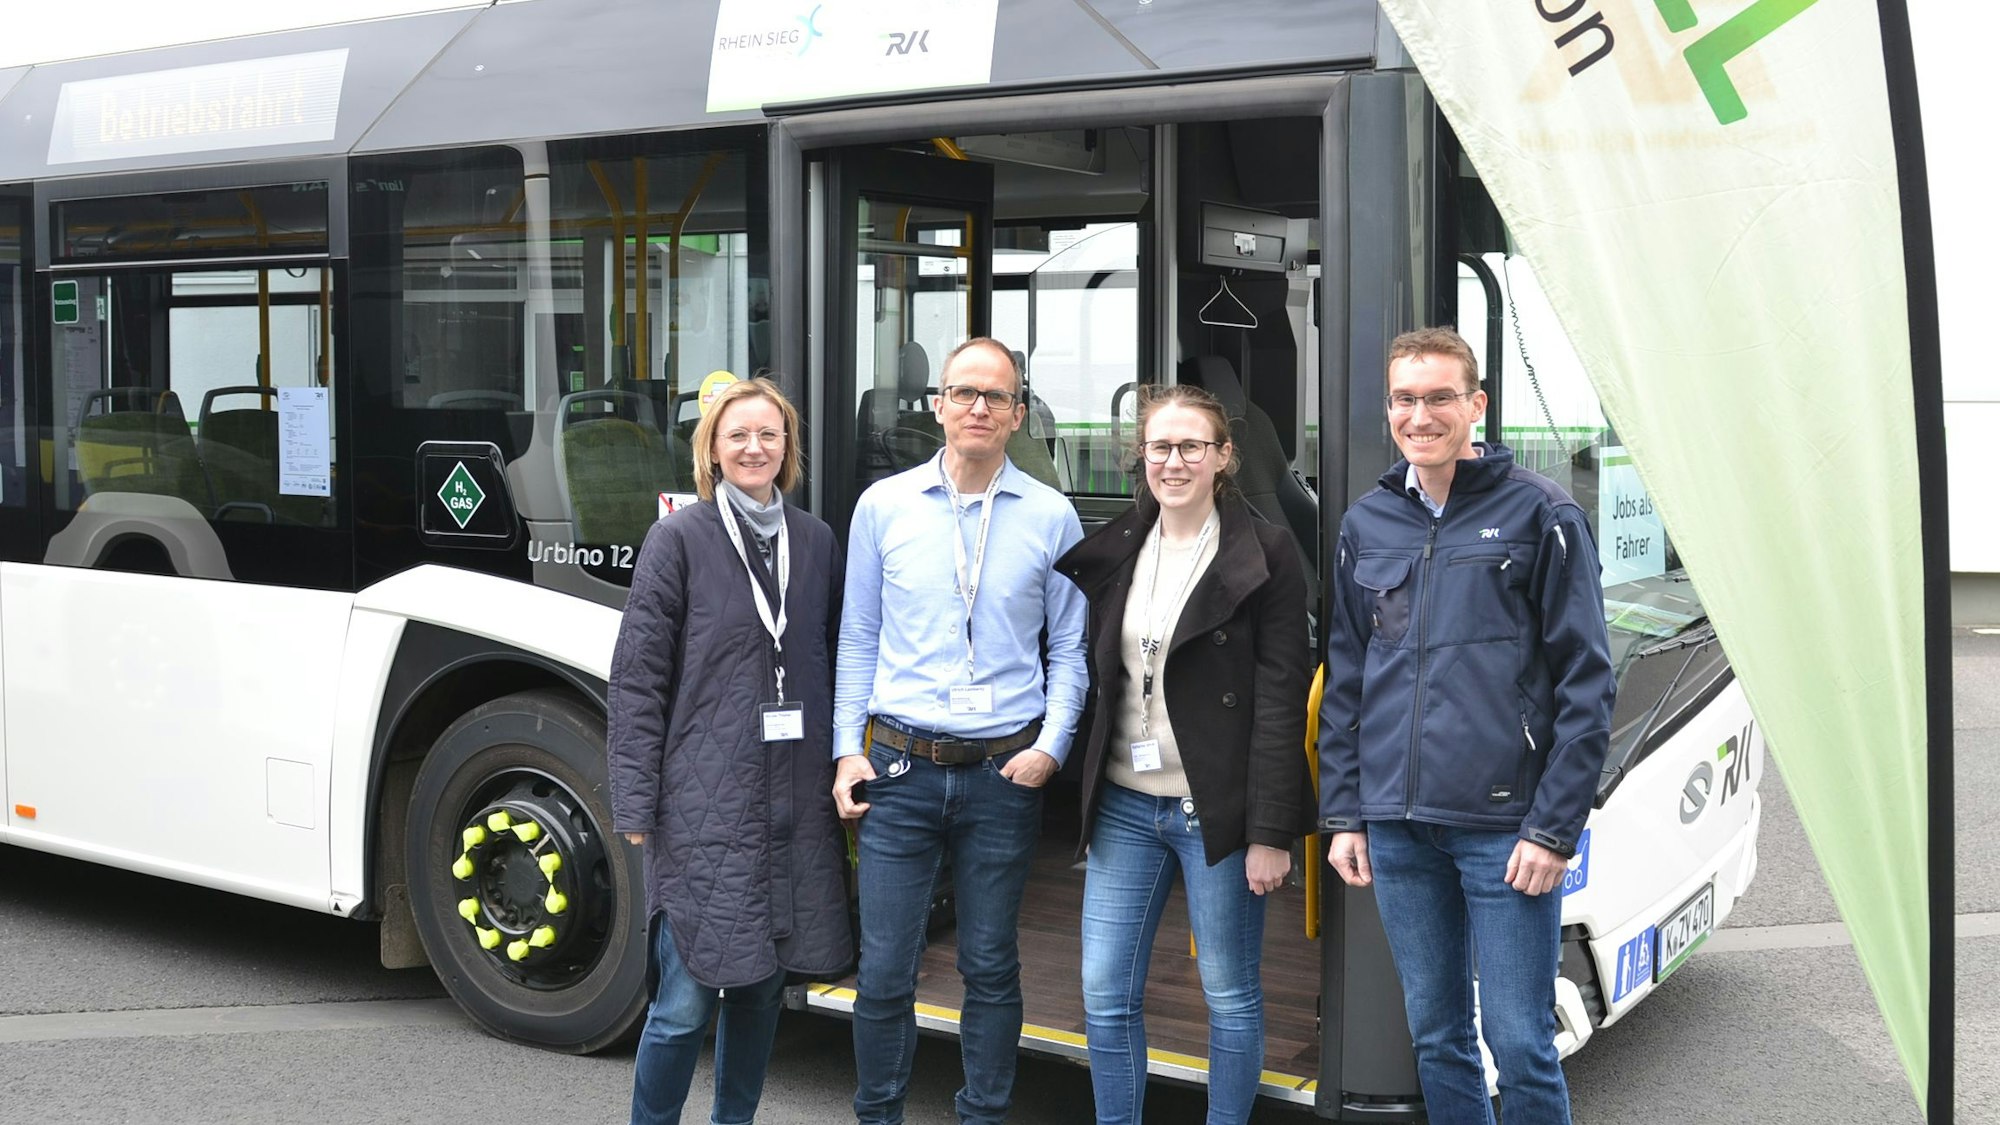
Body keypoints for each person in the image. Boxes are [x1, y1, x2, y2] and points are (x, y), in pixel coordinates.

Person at [1316, 327, 1616, 1124]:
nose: (1421, 414)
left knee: (1518, 1040)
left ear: (1475, 404)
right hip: (1399, 827)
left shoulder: (1542, 513)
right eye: (1405, 399)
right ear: (1389, 410)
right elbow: (1348, 677)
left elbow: (1589, 684)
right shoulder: (1367, 522)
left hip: (1503, 830)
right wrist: (1346, 812)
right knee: (1436, 1032)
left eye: (1439, 396)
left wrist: (1554, 829)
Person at [832, 337, 1089, 1125]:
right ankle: (877, 1114)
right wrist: (847, 748)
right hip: (899, 768)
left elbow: (1072, 648)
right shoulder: (883, 506)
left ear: (1018, 415)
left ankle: (983, 1113)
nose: (979, 407)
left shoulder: (1051, 515)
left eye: (996, 397)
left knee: (989, 964)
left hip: (1002, 772)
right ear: (937, 405)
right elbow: (858, 635)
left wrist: (1052, 747)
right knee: (883, 970)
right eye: (963, 393)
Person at [1054, 384, 1312, 1125]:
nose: (1174, 460)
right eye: (1160, 446)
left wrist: (1269, 833)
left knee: (1229, 995)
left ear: (1223, 456)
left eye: (1191, 446)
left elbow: (1279, 701)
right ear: (1142, 455)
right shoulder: (1122, 543)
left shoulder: (1265, 552)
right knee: (1105, 991)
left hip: (1218, 810)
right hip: (1126, 803)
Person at [608, 377, 853, 1125]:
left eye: (769, 435)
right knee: (683, 1001)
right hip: (701, 798)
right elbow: (638, 677)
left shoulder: (815, 540)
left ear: (788, 448)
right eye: (738, 435)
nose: (755, 447)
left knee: (758, 989)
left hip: (793, 798)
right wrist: (634, 798)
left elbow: (835, 657)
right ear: (711, 450)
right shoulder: (678, 538)